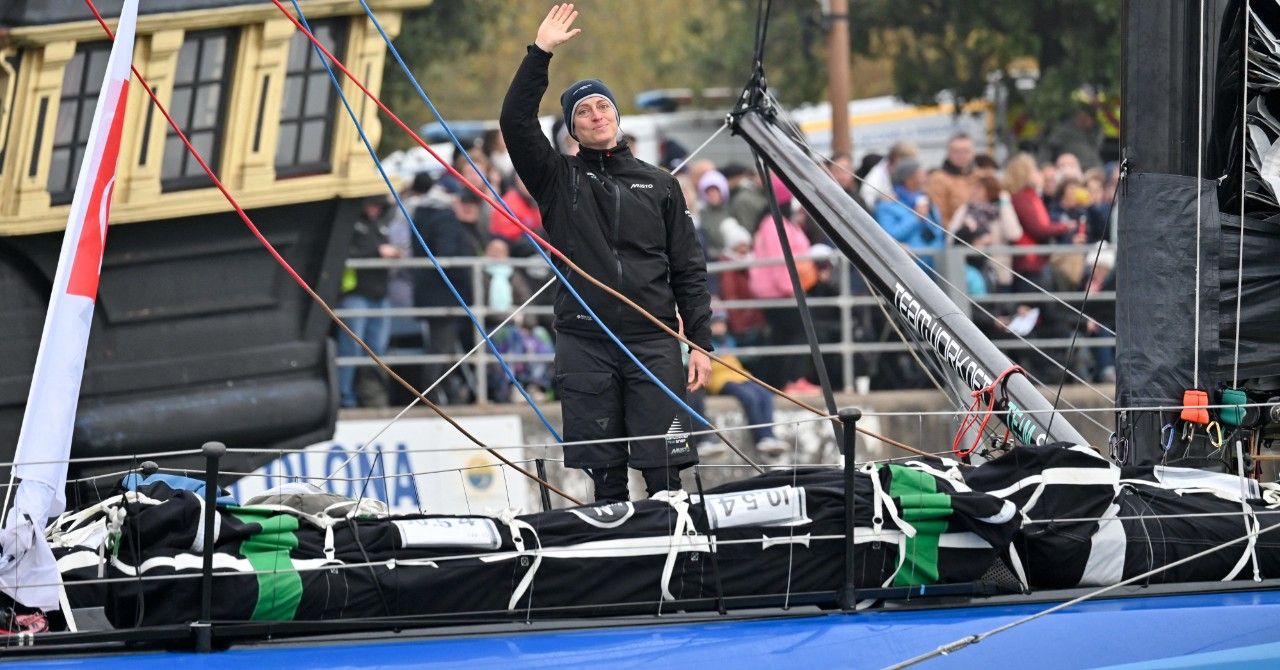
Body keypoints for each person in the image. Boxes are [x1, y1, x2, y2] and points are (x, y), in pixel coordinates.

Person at [499, 4, 713, 502]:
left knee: (665, 473)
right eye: (582, 111)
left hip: (653, 341)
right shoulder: (558, 179)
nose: (595, 116)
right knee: (607, 475)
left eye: (602, 106)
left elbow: (688, 267)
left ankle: (678, 565)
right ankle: (619, 565)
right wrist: (541, 53)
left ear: (616, 115)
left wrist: (700, 341)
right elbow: (514, 120)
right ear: (572, 129)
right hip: (585, 340)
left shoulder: (660, 184)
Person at [338, 197, 398, 408]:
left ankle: (372, 398)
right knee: (351, 350)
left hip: (379, 295)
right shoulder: (350, 225)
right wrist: (377, 253)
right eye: (372, 204)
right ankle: (345, 397)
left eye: (378, 205)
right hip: (356, 295)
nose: (375, 208)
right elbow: (342, 254)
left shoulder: (380, 225)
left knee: (377, 351)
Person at [926, 133, 976, 224]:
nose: (961, 155)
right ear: (948, 153)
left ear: (973, 152)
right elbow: (939, 216)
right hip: (955, 233)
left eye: (966, 151)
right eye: (956, 151)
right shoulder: (938, 179)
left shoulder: (981, 176)